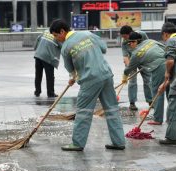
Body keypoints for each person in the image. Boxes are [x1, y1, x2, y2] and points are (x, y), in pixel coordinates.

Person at [50, 19, 125, 151]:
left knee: (83, 112)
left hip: (90, 79)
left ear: (62, 31)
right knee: (112, 109)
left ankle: (77, 143)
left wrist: (73, 77)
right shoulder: (87, 34)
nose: (57, 39)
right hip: (106, 75)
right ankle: (119, 141)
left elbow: (70, 69)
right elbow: (103, 48)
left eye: (56, 35)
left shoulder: (66, 47)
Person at [122, 32, 166, 125]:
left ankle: (157, 119)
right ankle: (170, 117)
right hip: (170, 62)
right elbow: (165, 48)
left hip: (159, 67)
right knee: (169, 91)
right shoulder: (150, 41)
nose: (129, 45)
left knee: (157, 92)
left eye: (130, 43)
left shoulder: (136, 53)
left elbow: (129, 68)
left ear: (136, 41)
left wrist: (124, 77)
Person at [120, 25, 152, 110]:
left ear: (130, 33)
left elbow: (149, 46)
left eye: (125, 36)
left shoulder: (142, 35)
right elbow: (125, 57)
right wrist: (127, 70)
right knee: (132, 81)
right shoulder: (124, 42)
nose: (124, 38)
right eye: (122, 37)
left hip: (143, 59)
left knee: (148, 80)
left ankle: (150, 101)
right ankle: (132, 103)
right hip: (132, 60)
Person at [33, 30, 62, 98]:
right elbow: (63, 46)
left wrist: (36, 49)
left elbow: (37, 39)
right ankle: (50, 93)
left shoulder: (45, 32)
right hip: (48, 58)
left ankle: (37, 92)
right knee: (50, 77)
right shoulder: (57, 35)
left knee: (38, 75)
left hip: (38, 55)